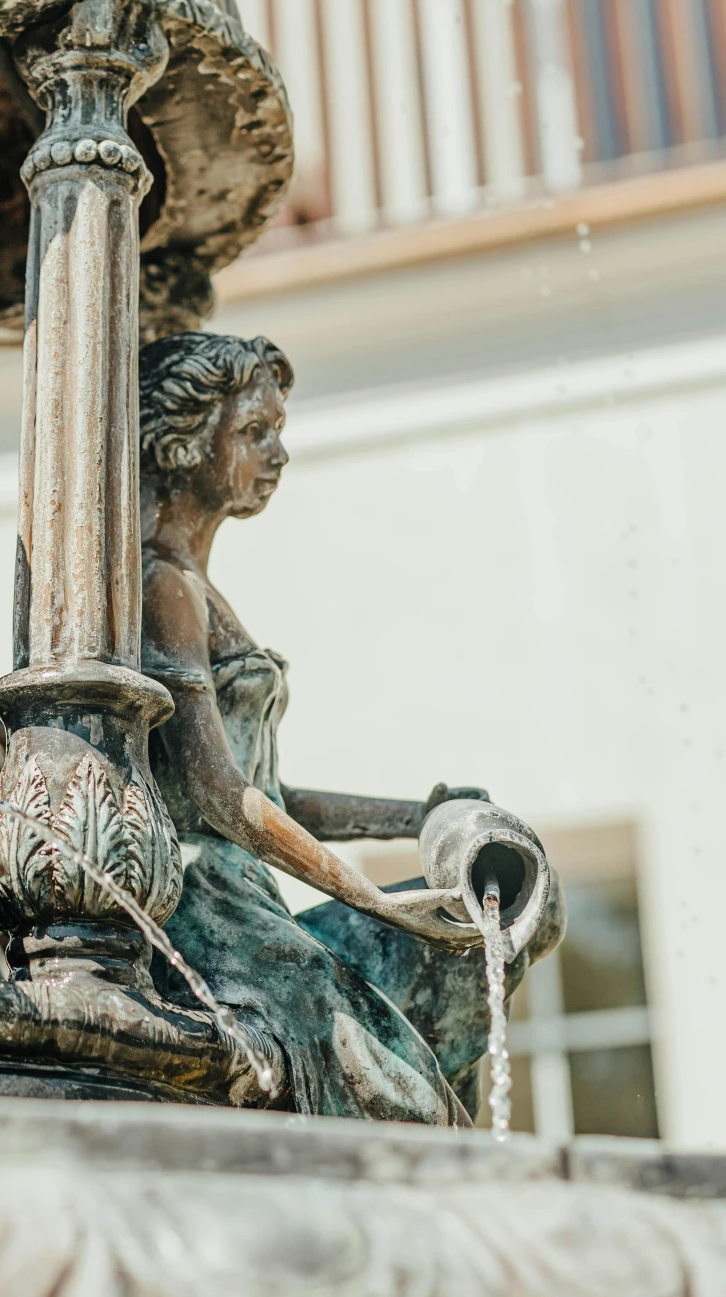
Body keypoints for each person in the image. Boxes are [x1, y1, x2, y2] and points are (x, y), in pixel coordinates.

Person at [138, 331, 561, 1125]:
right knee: (396, 1096)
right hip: (206, 915)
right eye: (254, 432)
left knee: (472, 941)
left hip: (247, 903)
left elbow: (270, 792)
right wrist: (374, 899)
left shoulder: (193, 583)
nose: (278, 453)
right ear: (184, 441)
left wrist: (415, 815)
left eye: (278, 430)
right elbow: (219, 795)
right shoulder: (162, 584)